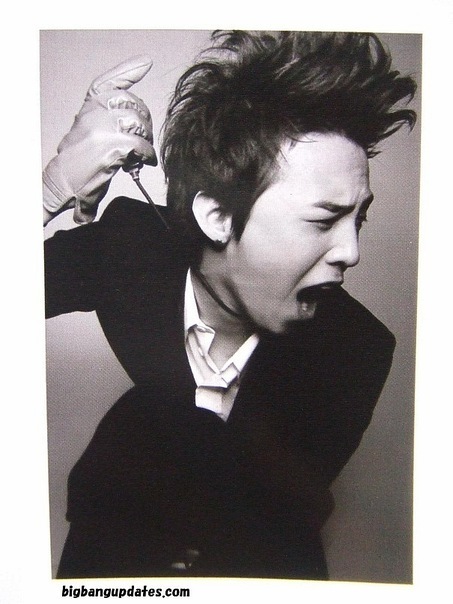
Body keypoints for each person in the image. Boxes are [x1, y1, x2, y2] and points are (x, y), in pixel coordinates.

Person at [43, 31, 417, 580]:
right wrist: (45, 194)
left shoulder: (353, 348)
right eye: (323, 219)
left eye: (358, 218)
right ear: (216, 216)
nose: (351, 252)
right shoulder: (130, 248)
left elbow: (254, 514)